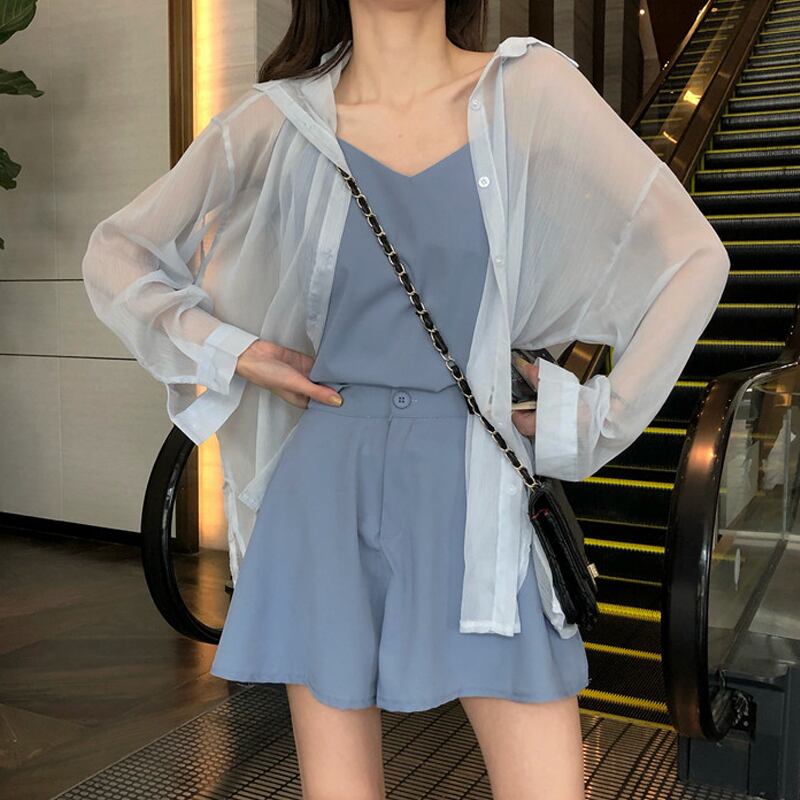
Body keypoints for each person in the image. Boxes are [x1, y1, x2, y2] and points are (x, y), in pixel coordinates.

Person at [81, 1, 731, 798]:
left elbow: (692, 257)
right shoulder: (282, 118)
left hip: (474, 483)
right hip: (325, 483)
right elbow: (118, 253)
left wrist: (595, 417)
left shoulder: (526, 88)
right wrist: (233, 350)